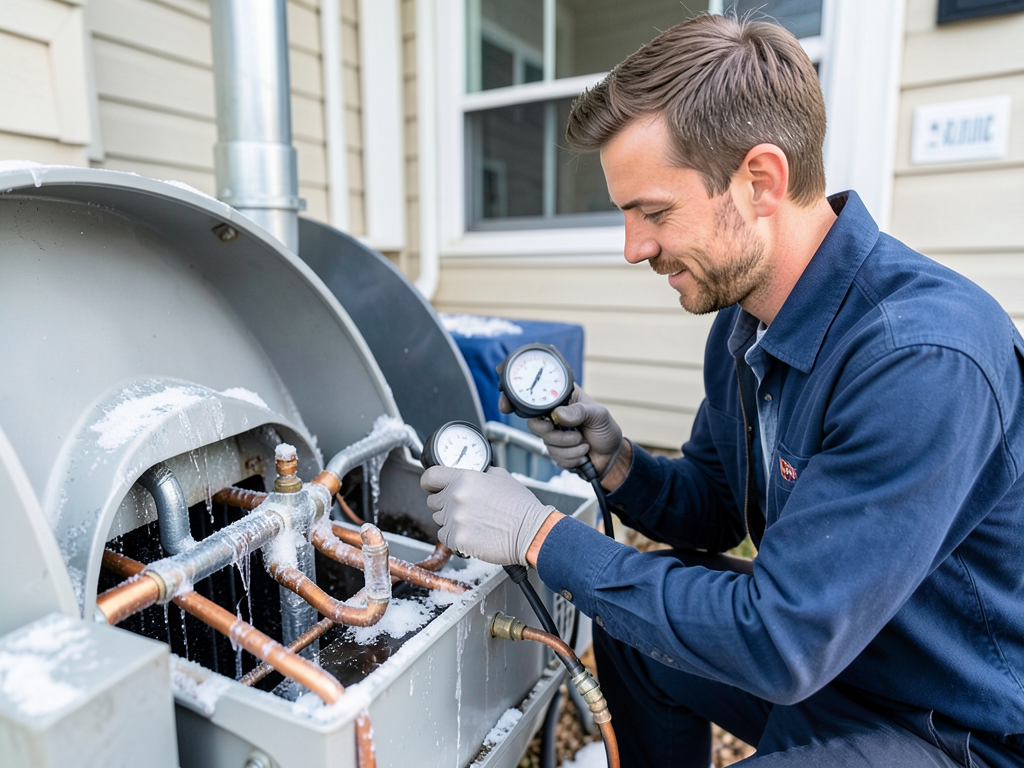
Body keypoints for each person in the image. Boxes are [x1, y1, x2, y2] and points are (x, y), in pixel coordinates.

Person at [421, 13, 1024, 767]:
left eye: (655, 213)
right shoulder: (747, 325)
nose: (634, 247)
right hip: (848, 664)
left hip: (954, 726)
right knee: (633, 635)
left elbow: (781, 640)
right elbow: (712, 506)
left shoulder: (921, 359)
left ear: (761, 180)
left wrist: (540, 537)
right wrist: (620, 467)